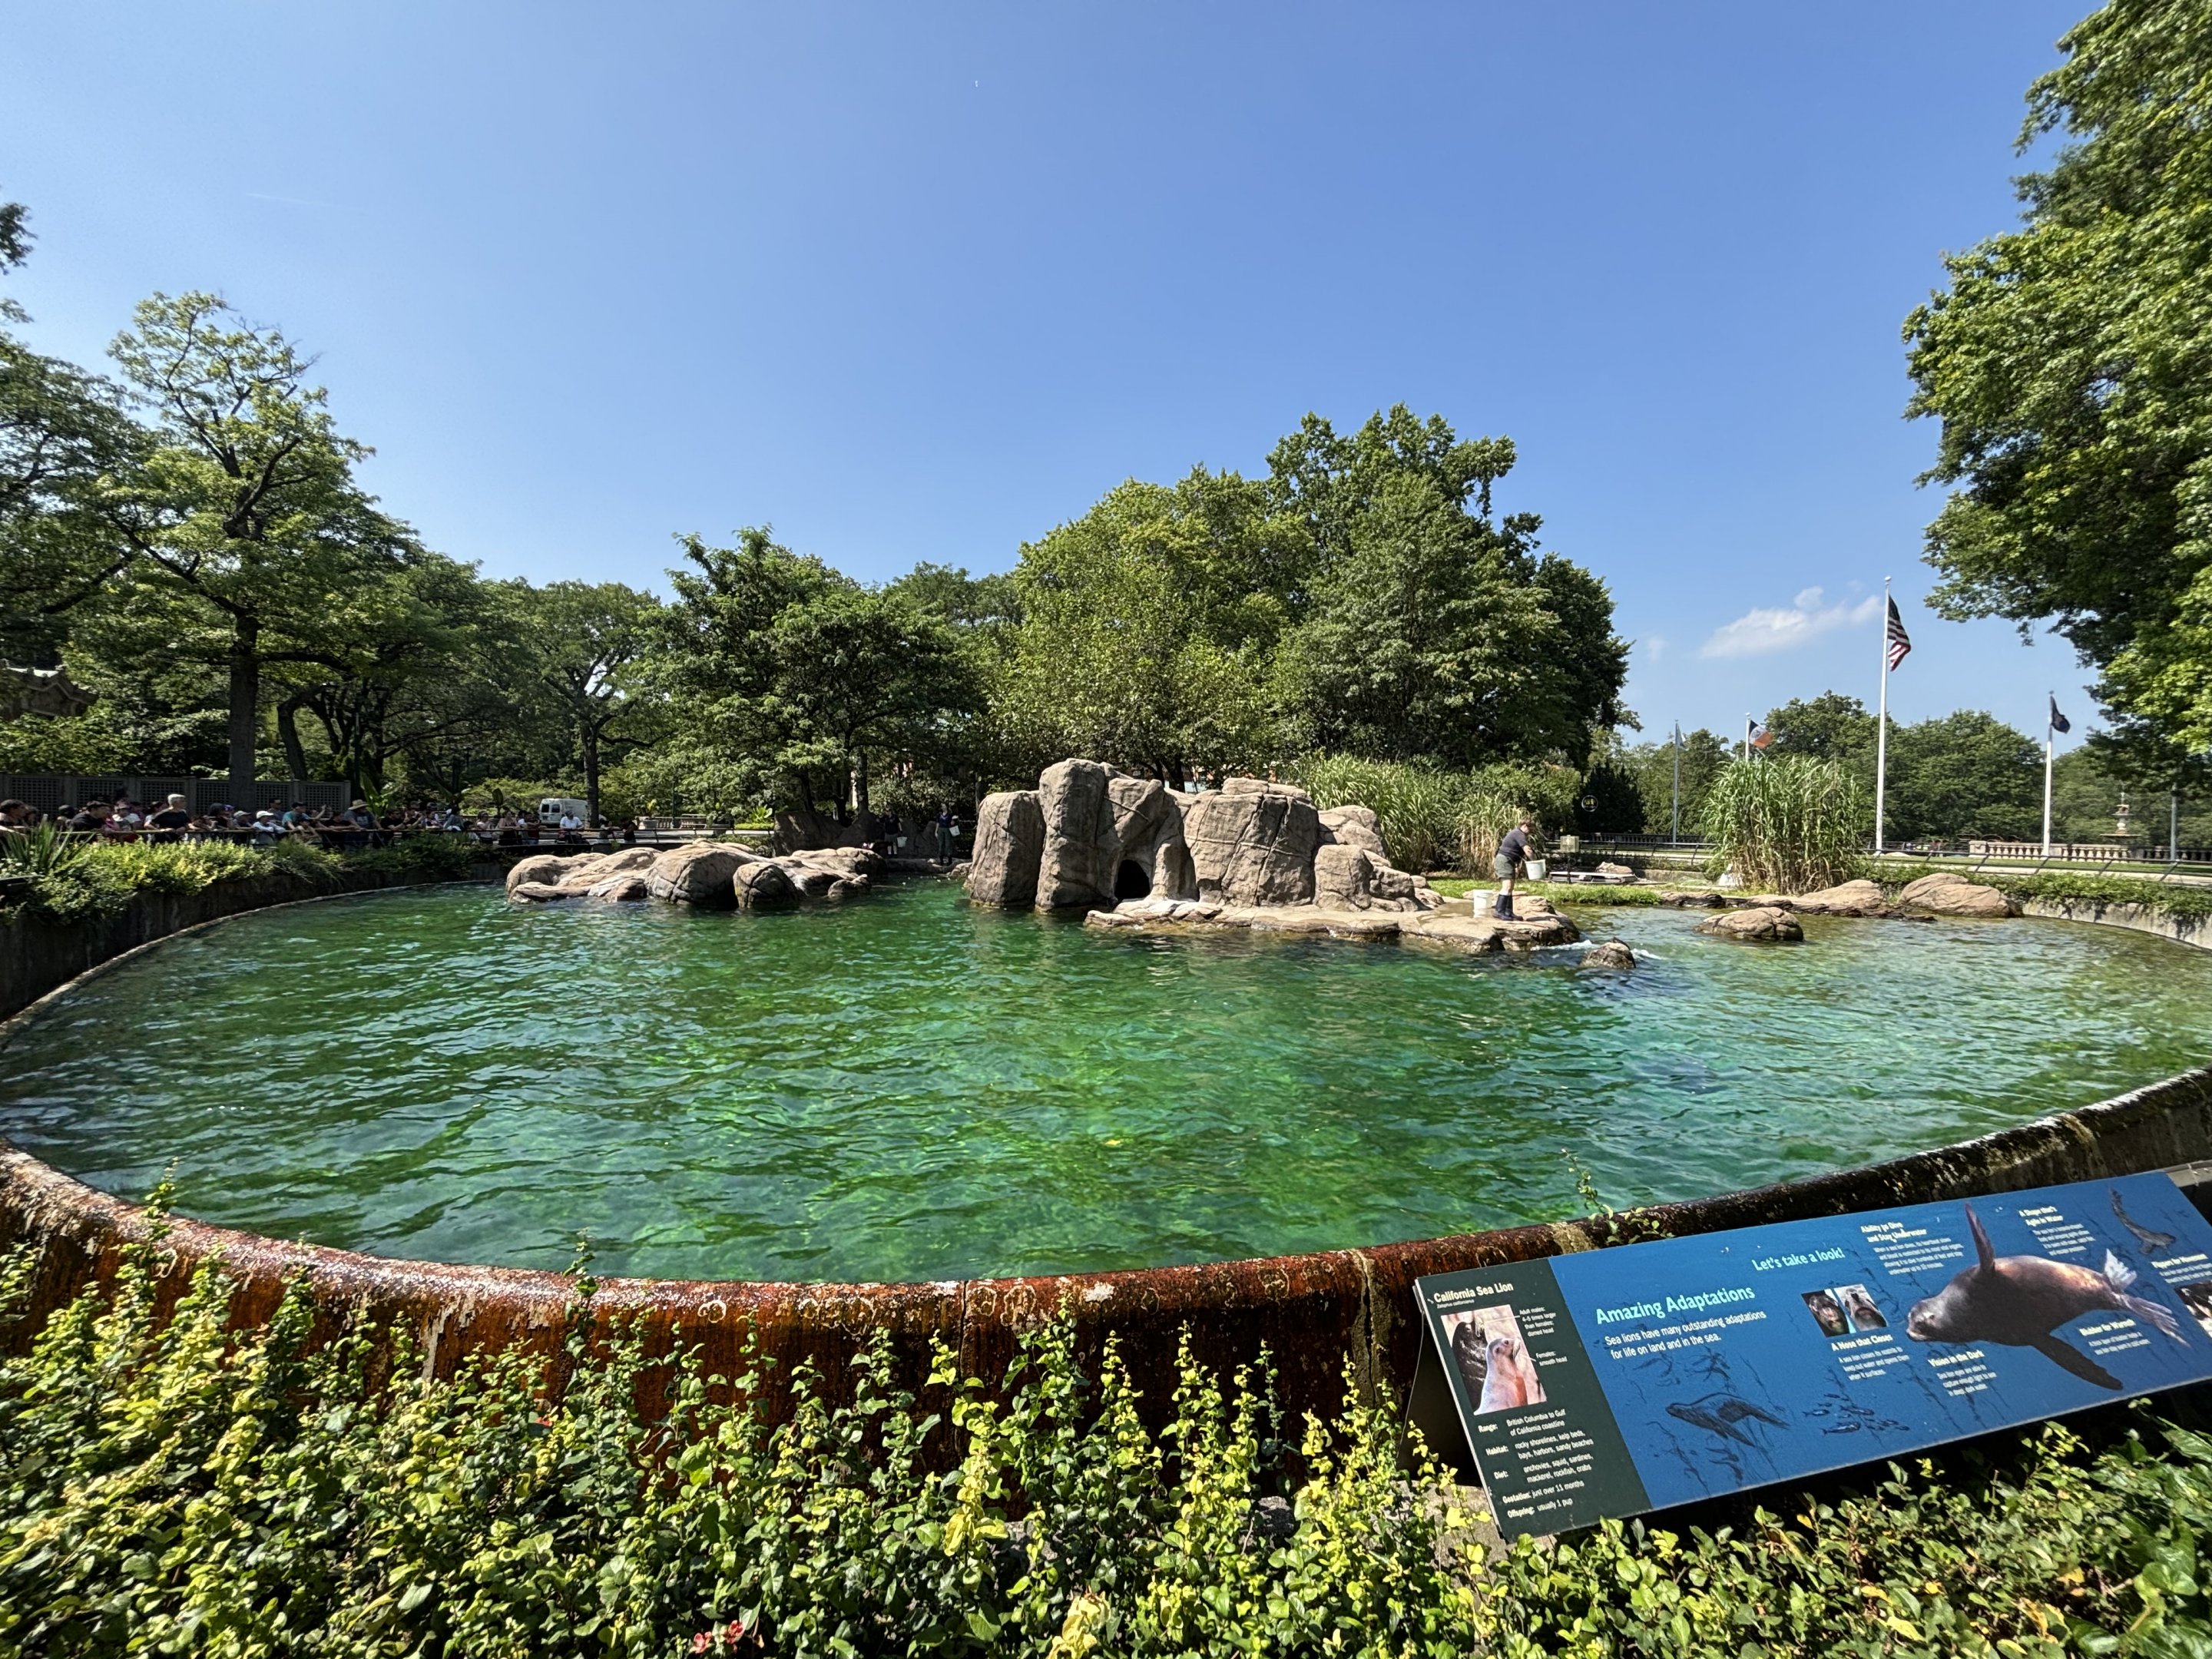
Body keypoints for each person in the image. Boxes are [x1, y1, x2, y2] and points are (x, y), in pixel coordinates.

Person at [1493, 816, 1538, 919]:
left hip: (1509, 861)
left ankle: (1508, 912)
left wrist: (1517, 866)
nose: (1530, 832)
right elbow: (1528, 850)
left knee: (1510, 888)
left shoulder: (1518, 834)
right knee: (1507, 887)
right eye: (1531, 829)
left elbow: (1517, 852)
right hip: (1504, 860)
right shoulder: (1518, 833)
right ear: (1525, 826)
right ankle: (1499, 912)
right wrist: (1535, 862)